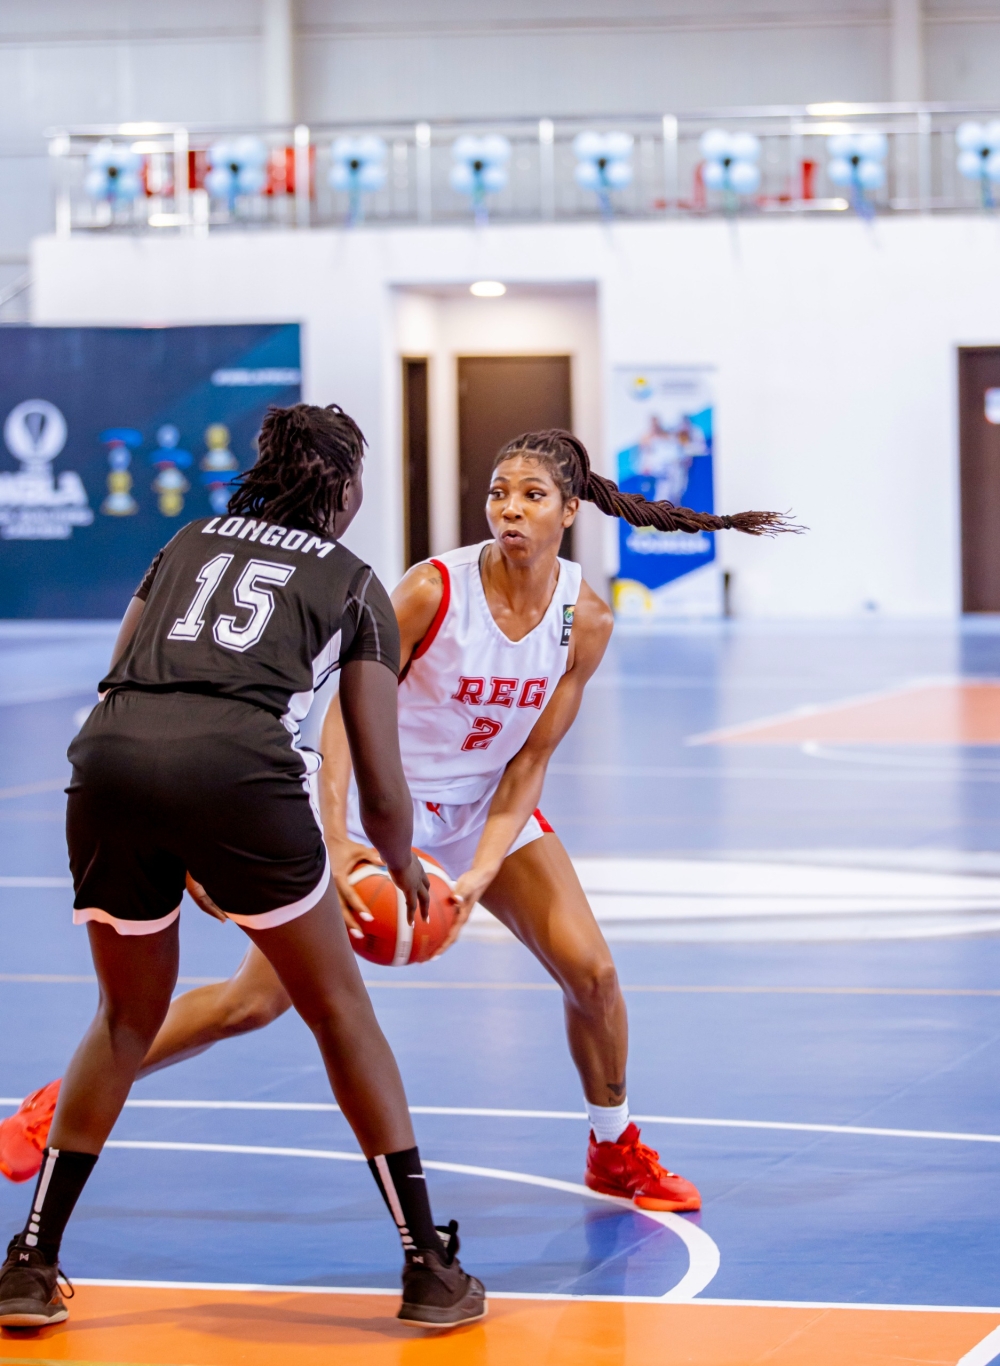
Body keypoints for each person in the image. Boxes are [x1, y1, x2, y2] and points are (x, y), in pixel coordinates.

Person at [1, 428, 795, 1220]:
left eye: (531, 496)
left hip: (482, 803)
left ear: (569, 511)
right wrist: (340, 836)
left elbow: (529, 763)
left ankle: (613, 1148)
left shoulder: (584, 619)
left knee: (593, 975)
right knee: (254, 1004)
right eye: (497, 493)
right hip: (385, 805)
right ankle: (55, 1102)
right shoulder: (429, 589)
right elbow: (350, 716)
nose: (509, 510)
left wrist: (482, 871)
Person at [0, 404, 485, 1331]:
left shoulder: (186, 541)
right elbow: (381, 781)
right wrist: (399, 867)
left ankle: (30, 1260)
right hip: (236, 771)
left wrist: (172, 832)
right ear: (342, 488)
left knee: (124, 1015)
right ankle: (429, 1267)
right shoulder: (354, 581)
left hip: (107, 762)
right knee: (339, 1008)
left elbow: (119, 670)